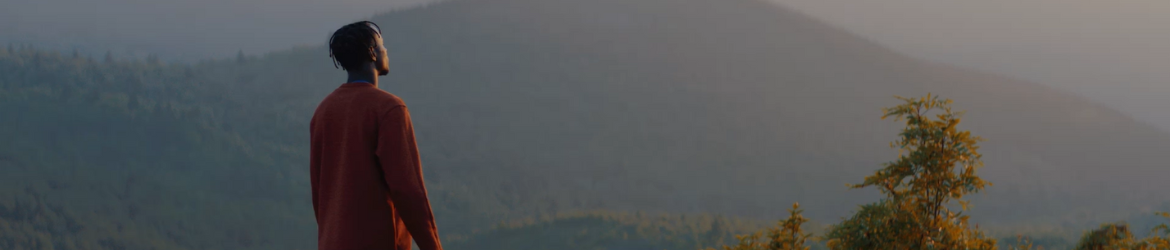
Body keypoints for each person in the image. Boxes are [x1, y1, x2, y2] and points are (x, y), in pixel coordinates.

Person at [310, 21, 443, 250]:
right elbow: (408, 191)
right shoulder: (388, 109)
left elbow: (319, 195)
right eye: (382, 45)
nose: (386, 50)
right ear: (372, 52)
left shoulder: (323, 112)